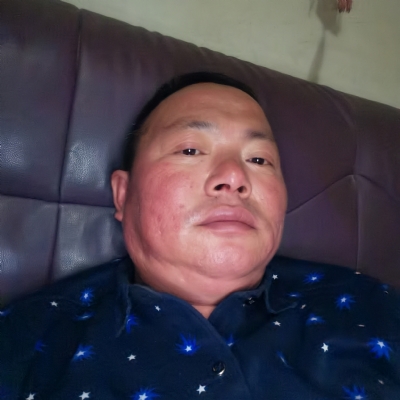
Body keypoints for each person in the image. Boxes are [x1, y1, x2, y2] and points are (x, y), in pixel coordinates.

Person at [1, 72, 399, 400]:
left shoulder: (373, 309)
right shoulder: (26, 341)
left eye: (259, 159)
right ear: (123, 194)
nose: (234, 177)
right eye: (190, 150)